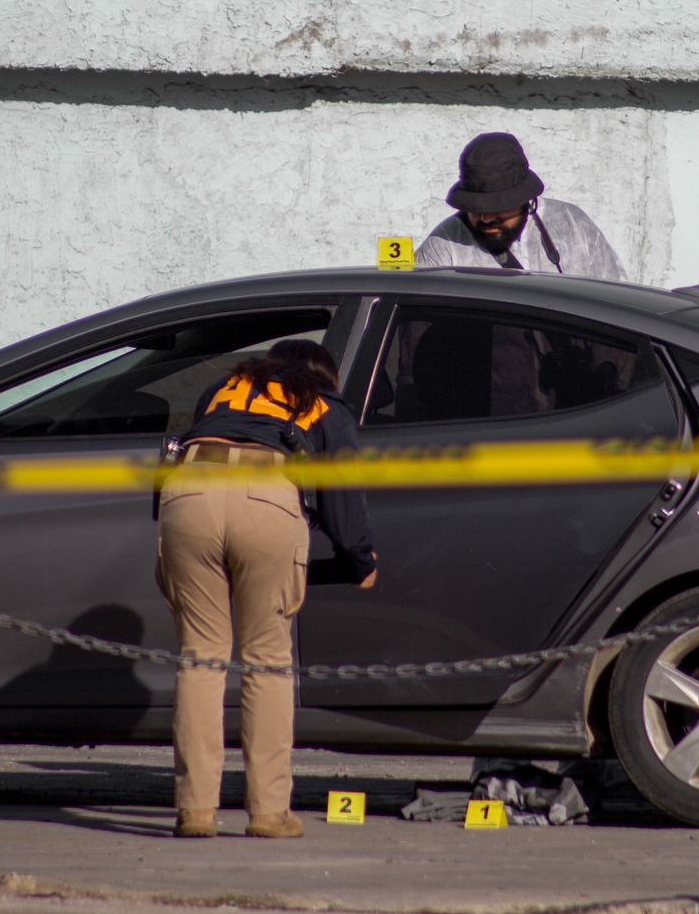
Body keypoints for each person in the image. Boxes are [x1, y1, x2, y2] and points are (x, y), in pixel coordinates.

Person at [156, 340, 378, 839]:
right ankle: (269, 812)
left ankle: (195, 810)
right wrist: (360, 560)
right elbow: (342, 493)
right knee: (267, 660)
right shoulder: (323, 401)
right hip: (267, 497)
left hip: (189, 493)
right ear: (323, 374)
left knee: (201, 656)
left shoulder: (223, 389)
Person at [416, 132, 628, 280]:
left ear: (525, 201)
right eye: (477, 209)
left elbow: (617, 298)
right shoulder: (443, 246)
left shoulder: (574, 225)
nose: (486, 219)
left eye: (498, 209)